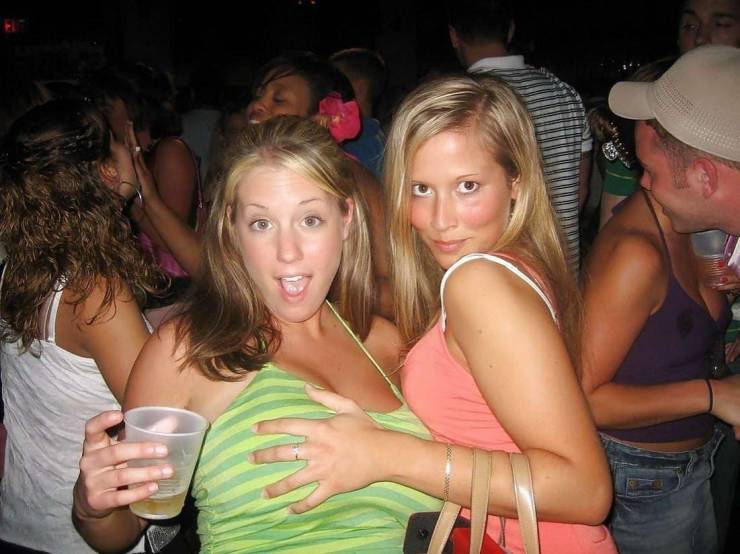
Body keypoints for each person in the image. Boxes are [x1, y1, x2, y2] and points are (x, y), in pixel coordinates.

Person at [249, 75, 616, 553]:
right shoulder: (512, 266)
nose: (440, 220)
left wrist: (386, 453)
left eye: (467, 186)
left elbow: (586, 491)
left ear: (516, 182)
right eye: (421, 189)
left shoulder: (478, 281)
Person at [72, 115, 442, 553]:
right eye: (262, 224)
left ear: (345, 219)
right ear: (232, 228)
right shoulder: (187, 351)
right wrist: (93, 507)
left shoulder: (391, 346)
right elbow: (126, 527)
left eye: (310, 220)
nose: (288, 253)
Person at [0, 100, 161, 553]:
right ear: (105, 171)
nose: (133, 148)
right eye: (119, 142)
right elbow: (160, 416)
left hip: (23, 518)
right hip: (86, 533)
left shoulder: (19, 267)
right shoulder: (94, 292)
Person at [447, 0, 592, 270]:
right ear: (511, 30)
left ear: (454, 36)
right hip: (563, 267)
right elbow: (578, 191)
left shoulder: (459, 102)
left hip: (496, 275)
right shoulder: (564, 93)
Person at [330, 48, 387, 178]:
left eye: (334, 84)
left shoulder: (358, 144)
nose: (326, 92)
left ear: (358, 88)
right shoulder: (377, 138)